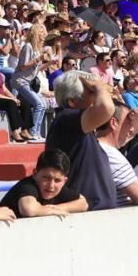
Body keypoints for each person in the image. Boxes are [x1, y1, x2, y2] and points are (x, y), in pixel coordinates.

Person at [46, 71, 116, 210]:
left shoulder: (77, 125)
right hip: (83, 216)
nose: (98, 96)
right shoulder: (66, 119)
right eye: (92, 92)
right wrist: (99, 86)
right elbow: (106, 108)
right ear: (72, 101)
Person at [95, 102, 138, 206]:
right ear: (113, 123)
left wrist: (136, 125)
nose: (131, 129)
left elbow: (125, 136)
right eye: (128, 122)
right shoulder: (112, 156)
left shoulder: (93, 147)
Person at [0, 149, 88, 218]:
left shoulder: (57, 188)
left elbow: (83, 203)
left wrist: (58, 208)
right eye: (46, 178)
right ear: (35, 174)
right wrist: (51, 210)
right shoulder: (27, 186)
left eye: (57, 180)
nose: (51, 185)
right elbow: (28, 209)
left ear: (64, 181)